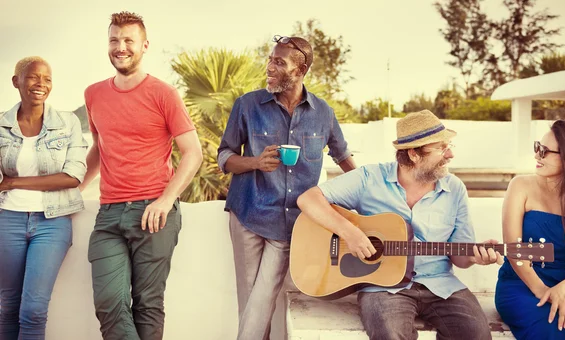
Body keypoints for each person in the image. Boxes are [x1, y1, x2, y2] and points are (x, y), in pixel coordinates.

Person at [297, 110, 502, 340]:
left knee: (477, 335)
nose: (450, 154)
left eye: (449, 145)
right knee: (390, 335)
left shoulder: (455, 189)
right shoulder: (370, 179)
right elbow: (308, 199)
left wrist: (476, 256)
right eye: (442, 148)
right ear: (414, 154)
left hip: (440, 285)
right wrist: (349, 233)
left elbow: (461, 259)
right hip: (383, 288)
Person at [217, 35, 356, 339]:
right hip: (248, 212)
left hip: (292, 221)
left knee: (264, 293)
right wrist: (255, 163)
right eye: (270, 59)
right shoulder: (247, 105)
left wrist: (369, 192)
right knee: (251, 298)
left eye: (279, 62)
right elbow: (225, 156)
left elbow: (342, 156)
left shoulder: (323, 113)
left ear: (300, 69)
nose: (269, 66)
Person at [79, 11, 203, 340]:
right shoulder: (93, 94)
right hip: (109, 214)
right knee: (109, 303)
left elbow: (193, 152)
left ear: (144, 46)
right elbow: (99, 148)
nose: (121, 47)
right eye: (114, 40)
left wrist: (165, 200)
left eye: (128, 41)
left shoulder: (163, 93)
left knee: (147, 304)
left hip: (154, 212)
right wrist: (75, 187)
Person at [0, 56, 88, 339]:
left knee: (34, 309)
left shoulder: (67, 123)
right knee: (7, 307)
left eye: (47, 79)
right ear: (16, 81)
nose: (41, 84)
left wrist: (13, 181)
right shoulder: (1, 125)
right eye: (33, 77)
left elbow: (73, 176)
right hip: (8, 220)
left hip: (53, 223)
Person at [495, 120, 565, 339]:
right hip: (522, 283)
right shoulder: (520, 186)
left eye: (544, 151)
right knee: (552, 323)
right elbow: (514, 251)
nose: (537, 156)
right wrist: (542, 290)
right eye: (537, 148)